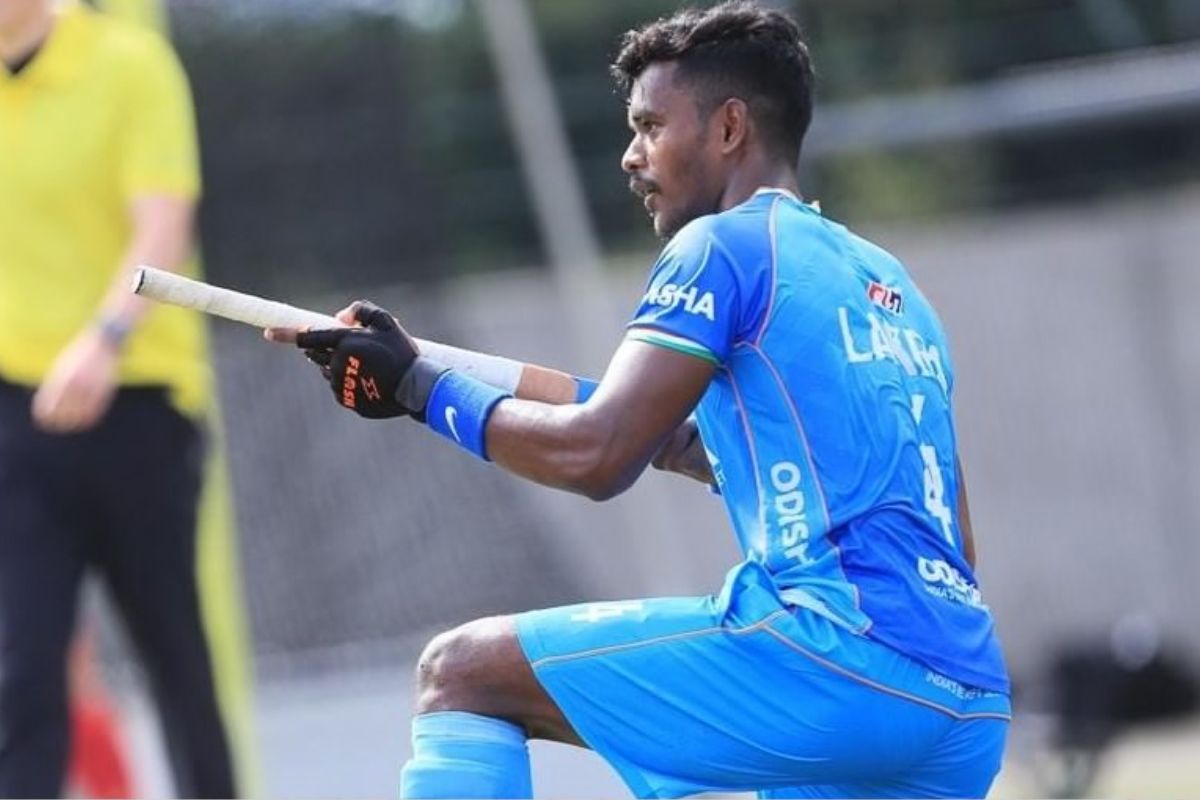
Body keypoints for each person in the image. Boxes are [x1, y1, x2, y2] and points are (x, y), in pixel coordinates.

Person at [269, 2, 1009, 797]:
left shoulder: (721, 247)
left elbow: (595, 452)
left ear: (729, 130)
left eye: (651, 126)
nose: (630, 156)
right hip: (964, 702)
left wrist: (419, 388)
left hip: (837, 665)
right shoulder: (892, 288)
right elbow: (951, 543)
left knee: (463, 673)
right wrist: (674, 439)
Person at [0, 0, 237, 796]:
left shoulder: (128, 63)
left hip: (136, 404)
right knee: (23, 669)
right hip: (14, 416)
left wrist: (102, 340)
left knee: (176, 659)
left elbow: (161, 225)